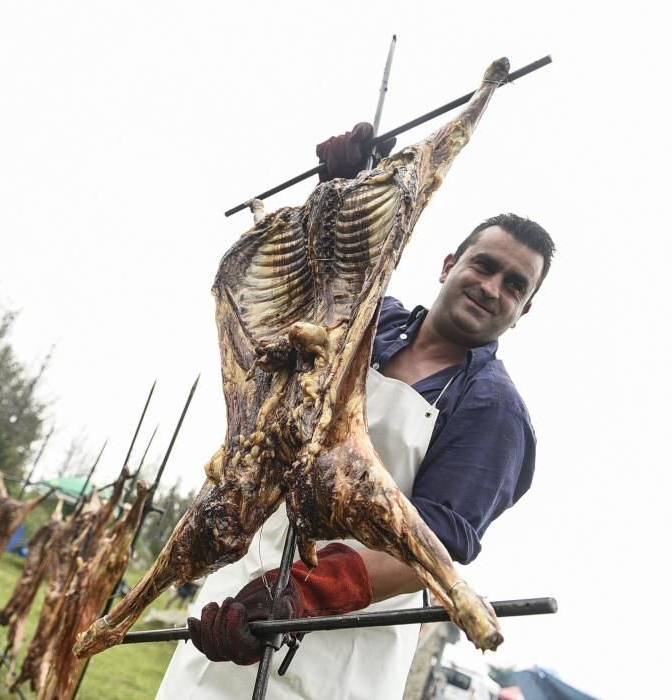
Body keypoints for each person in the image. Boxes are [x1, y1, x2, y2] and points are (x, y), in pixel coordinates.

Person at [156, 125, 555, 700]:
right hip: (239, 594)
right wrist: (344, 186)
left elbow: (432, 544)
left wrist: (305, 592)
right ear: (448, 263)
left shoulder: (494, 411)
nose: (492, 288)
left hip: (335, 648)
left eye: (514, 286)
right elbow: (318, 279)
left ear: (524, 310)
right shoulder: (370, 322)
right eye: (484, 265)